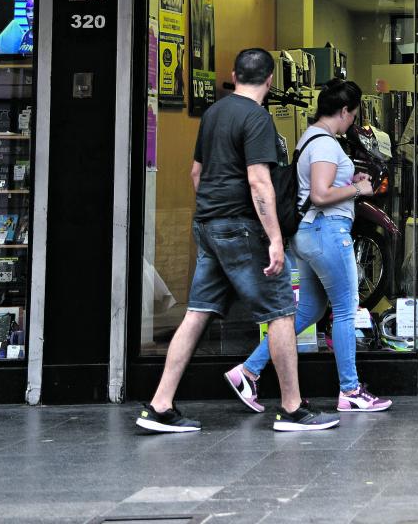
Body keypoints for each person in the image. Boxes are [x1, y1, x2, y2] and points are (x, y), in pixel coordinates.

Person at [137, 47, 339, 434]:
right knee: (281, 312)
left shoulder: (214, 113)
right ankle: (292, 408)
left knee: (197, 312)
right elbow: (259, 181)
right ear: (270, 80)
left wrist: (212, 213)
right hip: (242, 228)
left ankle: (159, 405)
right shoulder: (257, 118)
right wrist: (275, 238)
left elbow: (196, 173)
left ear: (234, 75)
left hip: (209, 225)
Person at [226, 78, 393, 415]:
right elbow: (319, 194)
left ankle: (248, 371)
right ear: (344, 111)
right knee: (346, 309)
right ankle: (351, 391)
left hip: (310, 234)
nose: (353, 122)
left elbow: (315, 187)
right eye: (353, 115)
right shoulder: (326, 144)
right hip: (327, 232)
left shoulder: (310, 138)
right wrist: (359, 189)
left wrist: (348, 181)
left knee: (310, 310)